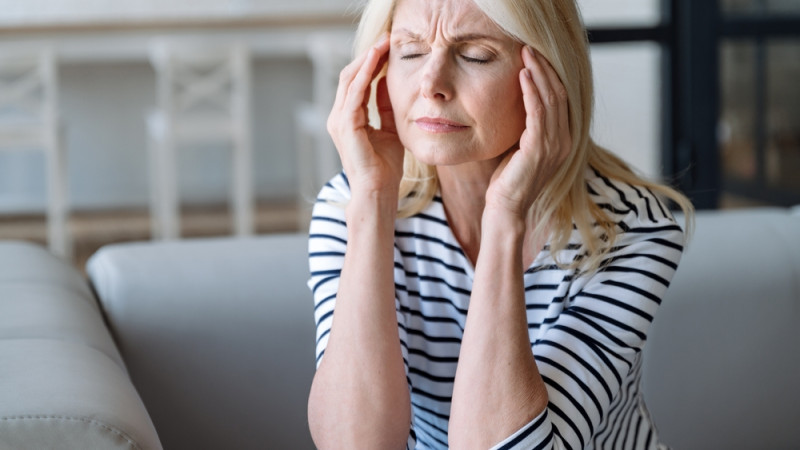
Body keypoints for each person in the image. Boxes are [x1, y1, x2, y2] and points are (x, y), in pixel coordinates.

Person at [306, 0, 694, 448]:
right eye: (410, 52)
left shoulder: (633, 229)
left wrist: (505, 217)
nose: (430, 84)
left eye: (475, 55)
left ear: (550, 78)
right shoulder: (350, 204)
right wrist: (372, 201)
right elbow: (354, 443)